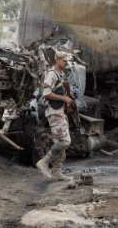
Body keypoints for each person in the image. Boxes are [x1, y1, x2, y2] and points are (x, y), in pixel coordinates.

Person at [36, 51, 74, 182]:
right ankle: (44, 162)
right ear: (57, 60)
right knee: (65, 142)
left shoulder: (61, 74)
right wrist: (64, 98)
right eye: (64, 61)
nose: (66, 63)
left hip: (60, 112)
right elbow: (46, 93)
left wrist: (67, 101)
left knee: (60, 144)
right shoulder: (51, 74)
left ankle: (57, 172)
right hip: (54, 113)